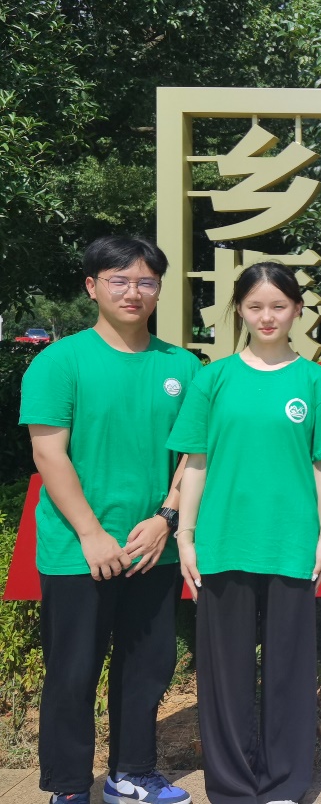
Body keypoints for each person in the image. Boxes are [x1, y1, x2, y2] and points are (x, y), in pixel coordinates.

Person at [20, 234, 201, 804]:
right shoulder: (60, 362)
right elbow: (49, 452)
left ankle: (133, 773)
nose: (133, 292)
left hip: (153, 546)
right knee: (73, 672)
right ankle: (69, 787)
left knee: (148, 667)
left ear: (159, 290)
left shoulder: (182, 366)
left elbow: (195, 453)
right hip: (78, 551)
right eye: (118, 280)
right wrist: (91, 533)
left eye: (146, 281)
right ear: (92, 287)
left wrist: (166, 518)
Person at [166, 261, 321, 804]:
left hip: (291, 542)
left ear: (298, 311)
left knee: (289, 670)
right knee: (226, 675)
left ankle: (285, 782)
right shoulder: (213, 378)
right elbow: (196, 462)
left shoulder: (315, 380)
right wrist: (186, 535)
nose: (268, 317)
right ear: (239, 310)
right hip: (223, 541)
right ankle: (234, 787)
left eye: (279, 306)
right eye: (256, 306)